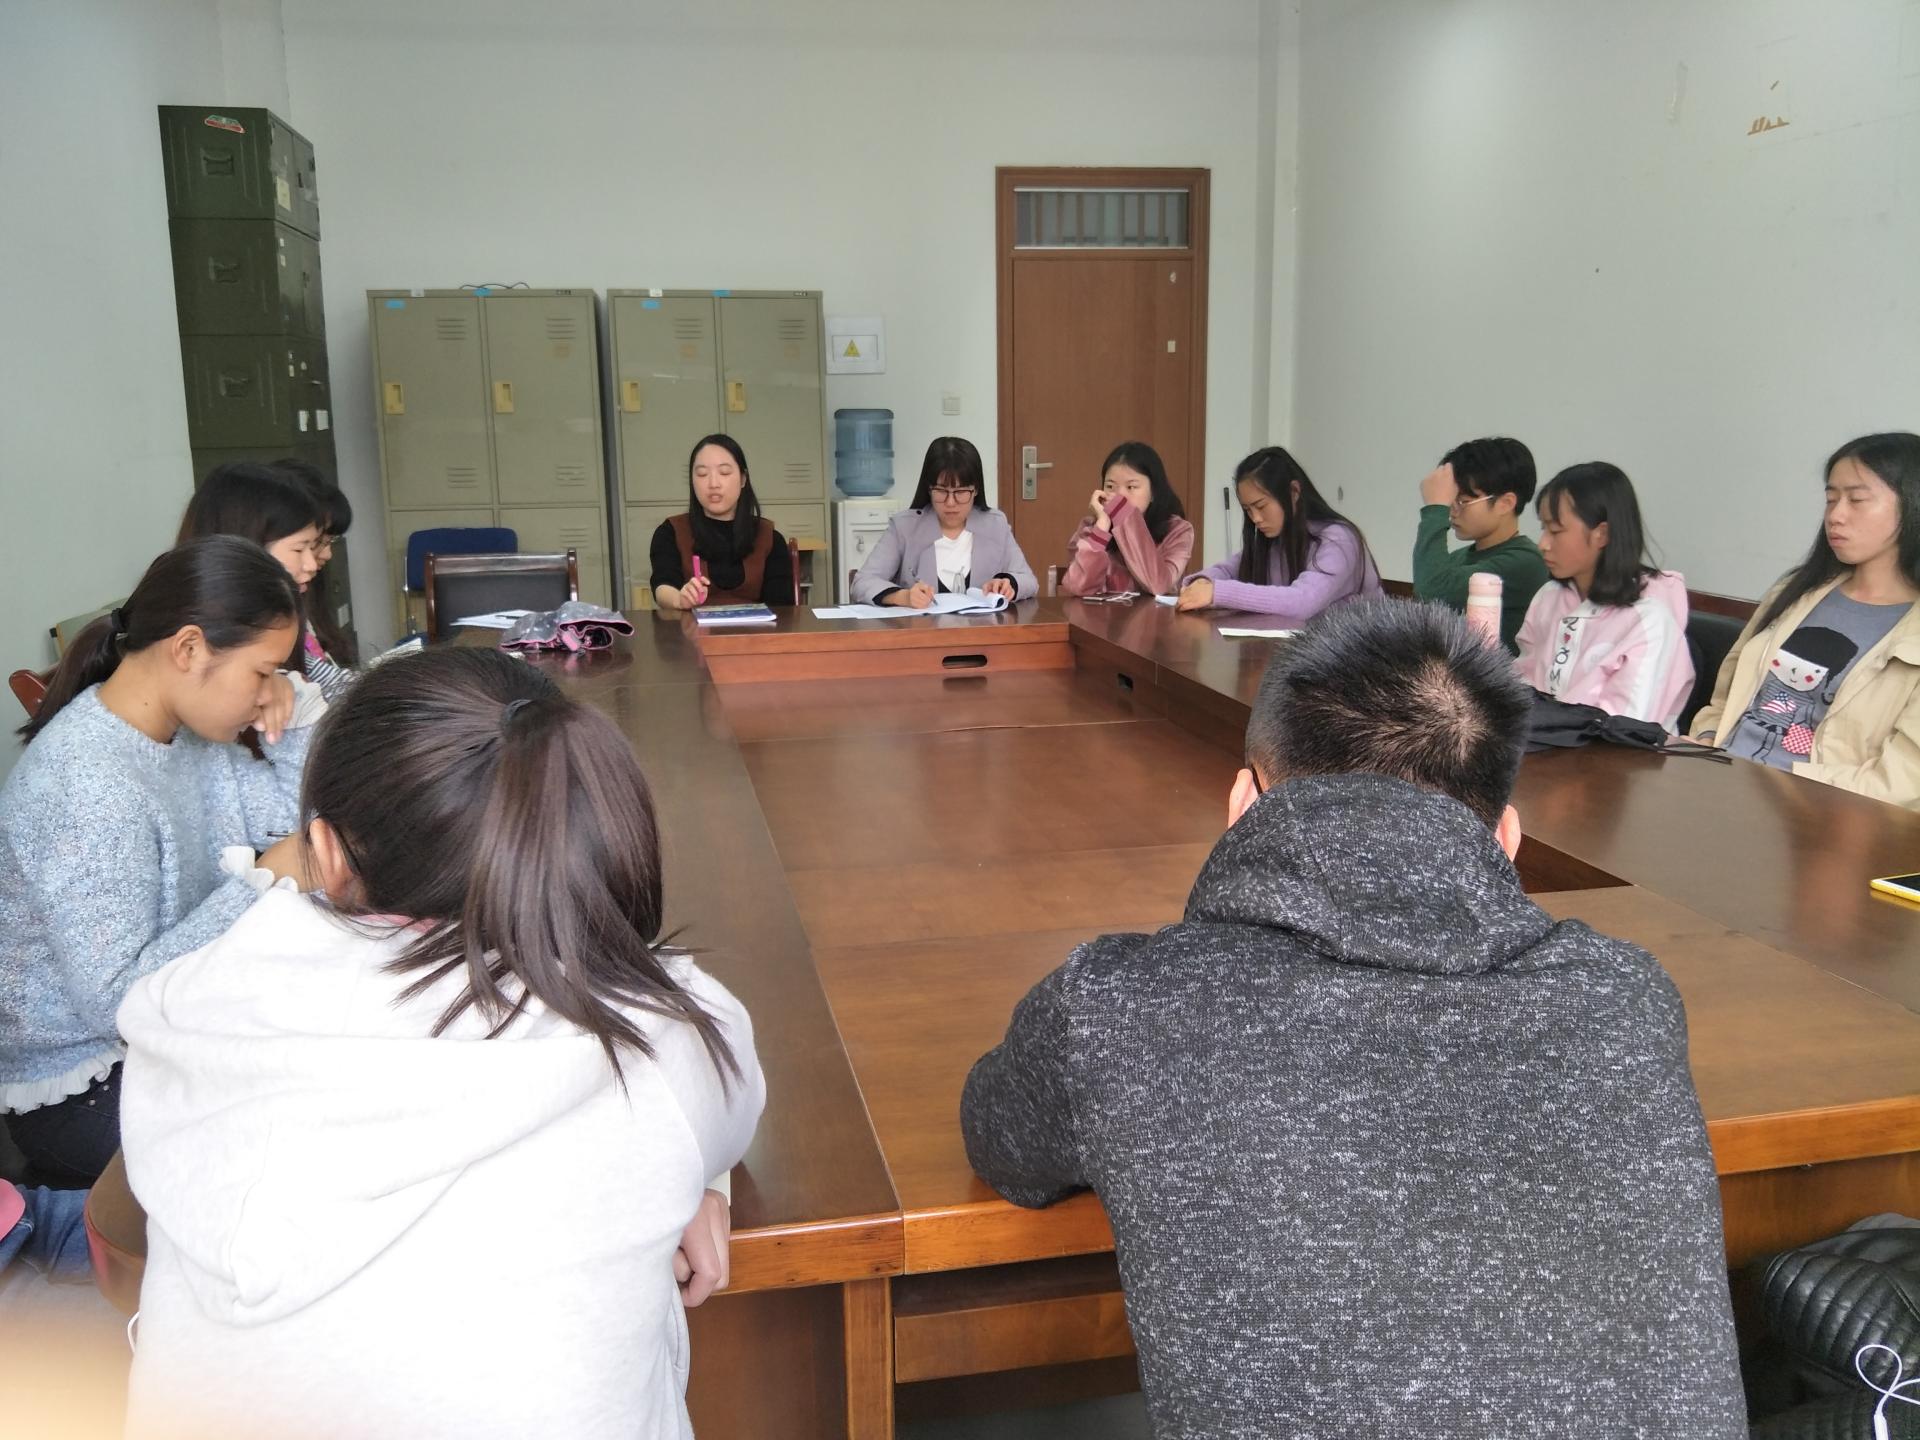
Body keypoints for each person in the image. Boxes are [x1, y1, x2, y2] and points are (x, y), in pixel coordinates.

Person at [961, 597, 1746, 1438]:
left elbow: (1003, 1143)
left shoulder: (1119, 1004)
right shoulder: (1626, 997)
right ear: (1507, 838)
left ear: (1242, 802)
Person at [118, 646, 766, 1440]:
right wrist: (694, 1174)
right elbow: (727, 1086)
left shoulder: (194, 1001)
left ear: (327, 855)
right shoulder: (649, 1038)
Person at [0, 538, 317, 1186]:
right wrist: (264, 882)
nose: (268, 690)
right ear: (189, 649)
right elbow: (118, 1004)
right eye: (263, 672)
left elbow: (295, 814)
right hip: (86, 1086)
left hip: (172, 1027)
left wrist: (296, 714)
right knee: (305, 1131)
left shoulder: (186, 735)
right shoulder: (86, 784)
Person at [1691, 433, 1920, 807]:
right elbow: (1726, 697)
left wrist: (1772, 786)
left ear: (1912, 504)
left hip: (1816, 814)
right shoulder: (1795, 591)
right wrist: (1705, 740)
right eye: (1831, 499)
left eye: (1856, 500)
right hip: (1715, 782)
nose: (1836, 515)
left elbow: (1900, 783)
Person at [1516, 462, 1694, 728]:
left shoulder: (1648, 621)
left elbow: (1625, 728)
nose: (1543, 543)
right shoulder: (1549, 598)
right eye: (1543, 528)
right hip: (1539, 744)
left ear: (1602, 534)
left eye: (1555, 531)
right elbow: (1520, 686)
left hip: (1612, 753)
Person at [177, 463, 335, 696]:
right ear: (249, 546)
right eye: (299, 549)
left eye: (313, 547)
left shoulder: (281, 619)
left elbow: (330, 681)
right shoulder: (219, 644)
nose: (312, 564)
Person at [1176, 446, 1380, 617]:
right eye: (1248, 510)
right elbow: (1229, 570)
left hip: (1359, 650)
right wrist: (1203, 581)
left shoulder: (1339, 539)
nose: (1255, 518)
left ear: (1294, 492)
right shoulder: (1274, 539)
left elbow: (1302, 601)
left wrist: (1217, 592)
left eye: (1261, 506)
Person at [851, 437, 1038, 606]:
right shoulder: (904, 527)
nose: (950, 503)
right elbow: (863, 582)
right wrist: (903, 597)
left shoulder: (995, 525)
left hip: (984, 630)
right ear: (929, 489)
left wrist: (1008, 583)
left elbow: (1029, 581)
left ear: (976, 490)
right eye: (941, 491)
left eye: (960, 492)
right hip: (922, 630)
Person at [1412, 436, 1551, 649]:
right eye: (1450, 502)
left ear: (1505, 503)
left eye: (1463, 502)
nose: (1452, 512)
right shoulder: (1459, 558)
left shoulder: (1526, 561)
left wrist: (1435, 508)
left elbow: (1431, 592)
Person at [649, 434, 794, 610]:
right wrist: (679, 600)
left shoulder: (769, 537)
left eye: (724, 472)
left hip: (757, 628)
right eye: (702, 474)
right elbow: (663, 585)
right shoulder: (671, 532)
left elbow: (781, 607)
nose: (713, 483)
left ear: (743, 479)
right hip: (690, 627)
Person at [270, 456, 359, 700]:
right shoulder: (260, 624)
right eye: (304, 547)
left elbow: (325, 677)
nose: (323, 555)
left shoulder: (300, 598)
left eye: (317, 543)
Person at [1060, 441, 1194, 597]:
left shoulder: (1177, 530)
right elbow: (1079, 588)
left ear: (1154, 493)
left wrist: (1124, 516)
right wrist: (1101, 528)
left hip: (1156, 613)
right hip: (1103, 613)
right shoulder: (1091, 527)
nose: (1119, 495)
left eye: (1131, 487)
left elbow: (1158, 585)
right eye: (1110, 486)